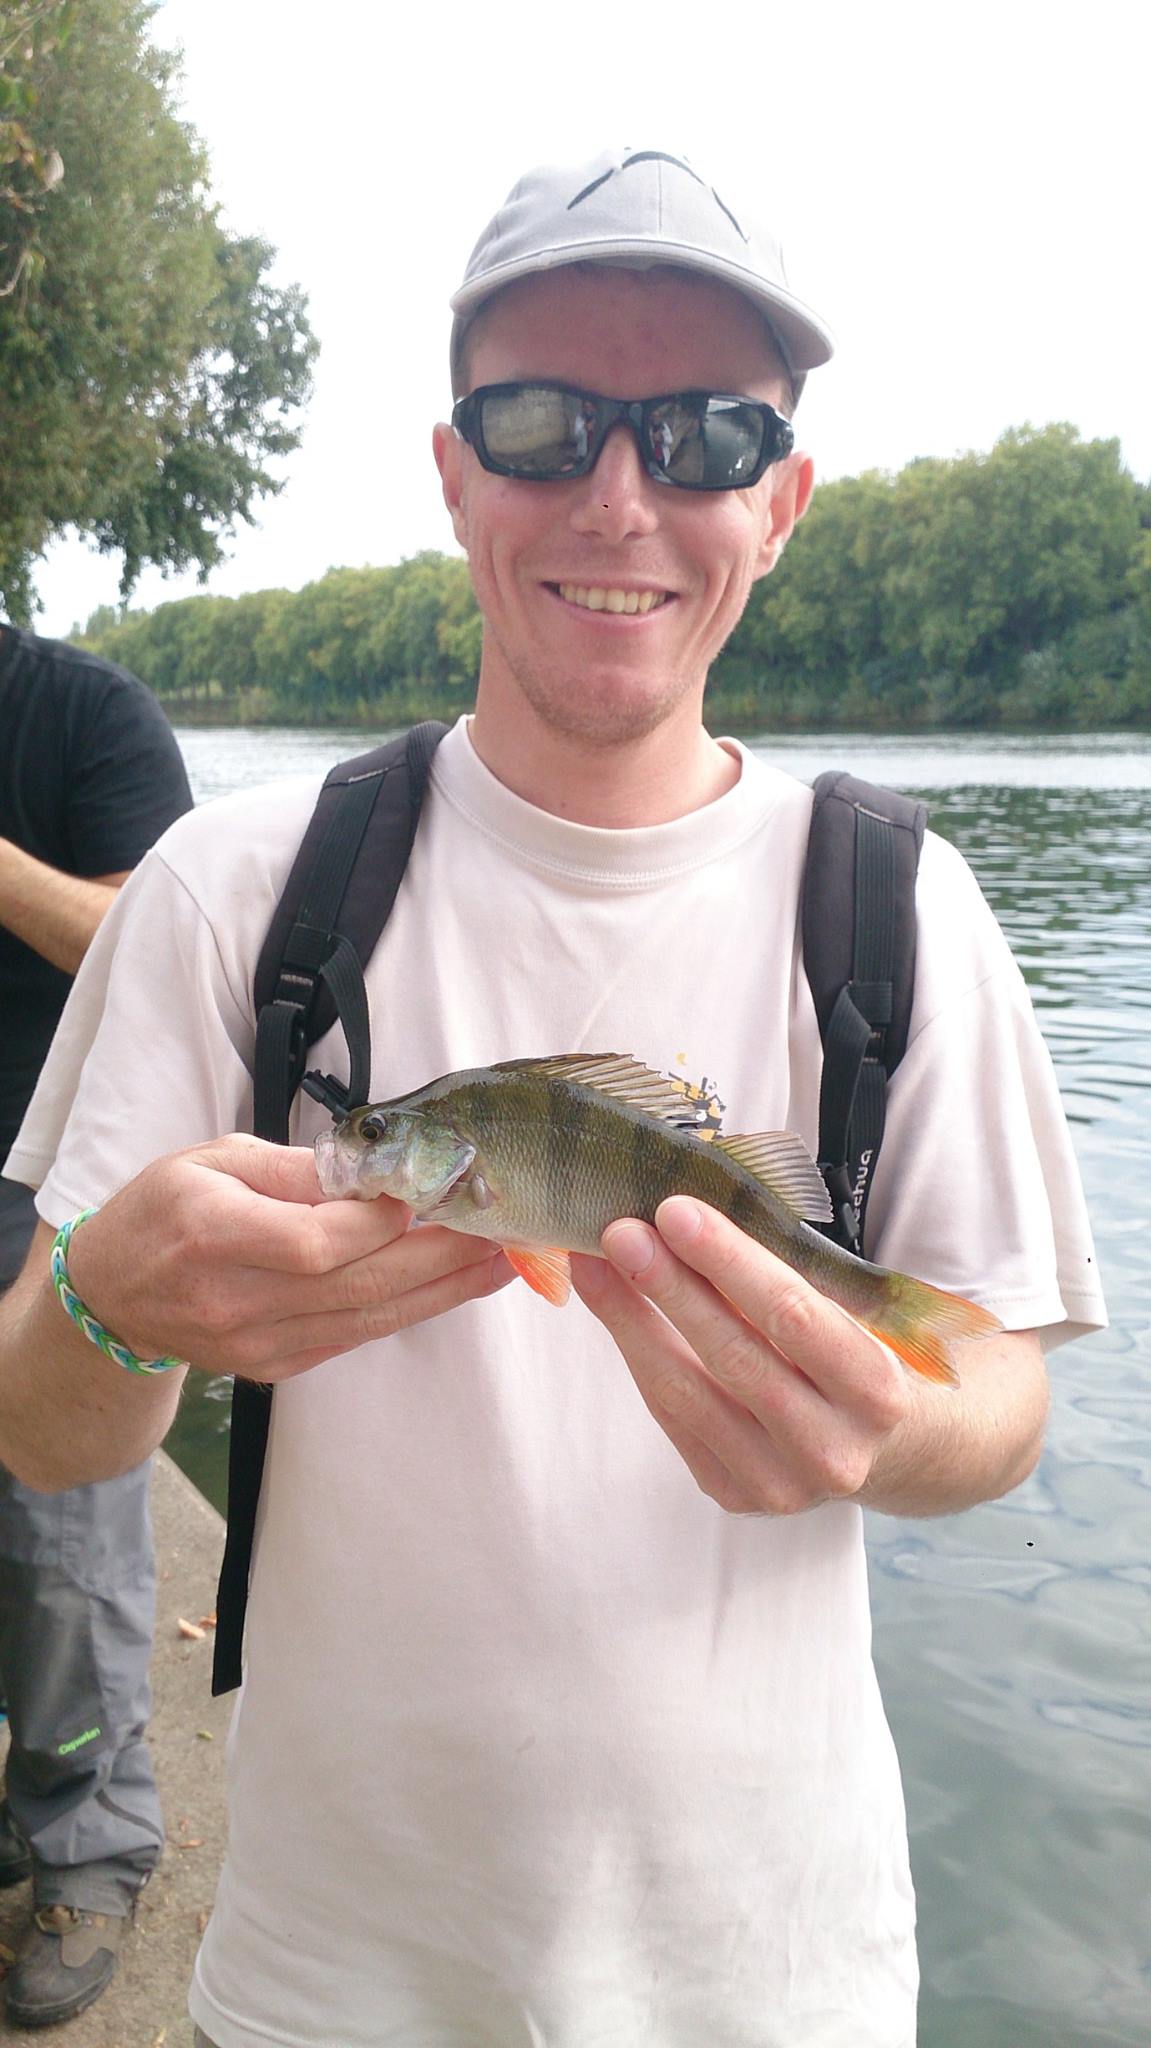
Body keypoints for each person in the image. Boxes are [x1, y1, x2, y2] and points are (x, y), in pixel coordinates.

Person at [0, 147, 1104, 2048]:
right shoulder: (229, 894)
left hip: (781, 1988)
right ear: (452, 474)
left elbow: (997, 1393)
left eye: (705, 434)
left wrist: (881, 1427)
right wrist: (108, 1302)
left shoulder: (901, 907)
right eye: (542, 423)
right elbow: (42, 1433)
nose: (620, 495)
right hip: (324, 1992)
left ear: (782, 501)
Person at [0, 622, 193, 2027]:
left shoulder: (80, 713)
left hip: (50, 1171)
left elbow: (151, 950)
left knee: (58, 1541)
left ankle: (88, 1841)